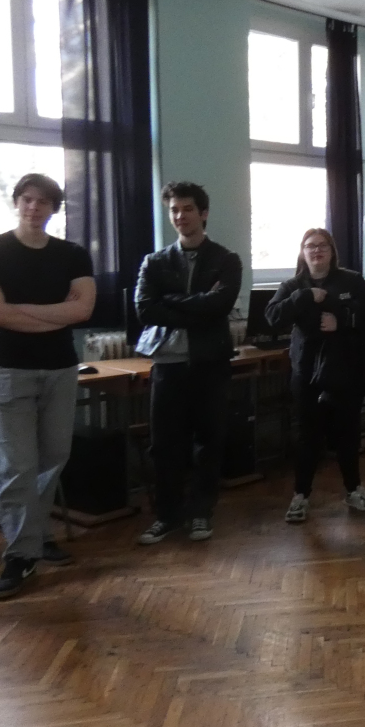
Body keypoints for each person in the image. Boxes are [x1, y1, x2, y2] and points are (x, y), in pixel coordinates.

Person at [0, 174, 96, 600]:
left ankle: (37, 535)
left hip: (60, 368)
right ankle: (20, 555)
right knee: (16, 465)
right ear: (16, 202)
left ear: (53, 208)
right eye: (26, 199)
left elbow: (83, 310)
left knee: (53, 457)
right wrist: (54, 314)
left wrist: (18, 309)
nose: (33, 208)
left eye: (42, 202)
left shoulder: (72, 255)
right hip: (8, 369)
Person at [133, 181, 242, 544]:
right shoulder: (154, 262)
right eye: (174, 210)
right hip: (168, 364)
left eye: (188, 209)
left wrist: (171, 301)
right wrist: (196, 304)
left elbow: (219, 305)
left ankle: (200, 514)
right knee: (164, 445)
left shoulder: (226, 260)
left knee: (208, 442)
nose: (180, 216)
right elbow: (145, 310)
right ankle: (167, 516)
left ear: (203, 213)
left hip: (210, 363)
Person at [266, 228, 365, 522]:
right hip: (306, 372)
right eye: (310, 246)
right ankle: (300, 496)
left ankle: (354, 489)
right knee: (307, 436)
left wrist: (341, 320)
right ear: (302, 252)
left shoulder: (351, 280)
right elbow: (272, 317)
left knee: (348, 434)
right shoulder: (293, 285)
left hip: (345, 370)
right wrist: (304, 296)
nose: (316, 251)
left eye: (322, 246)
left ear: (332, 251)